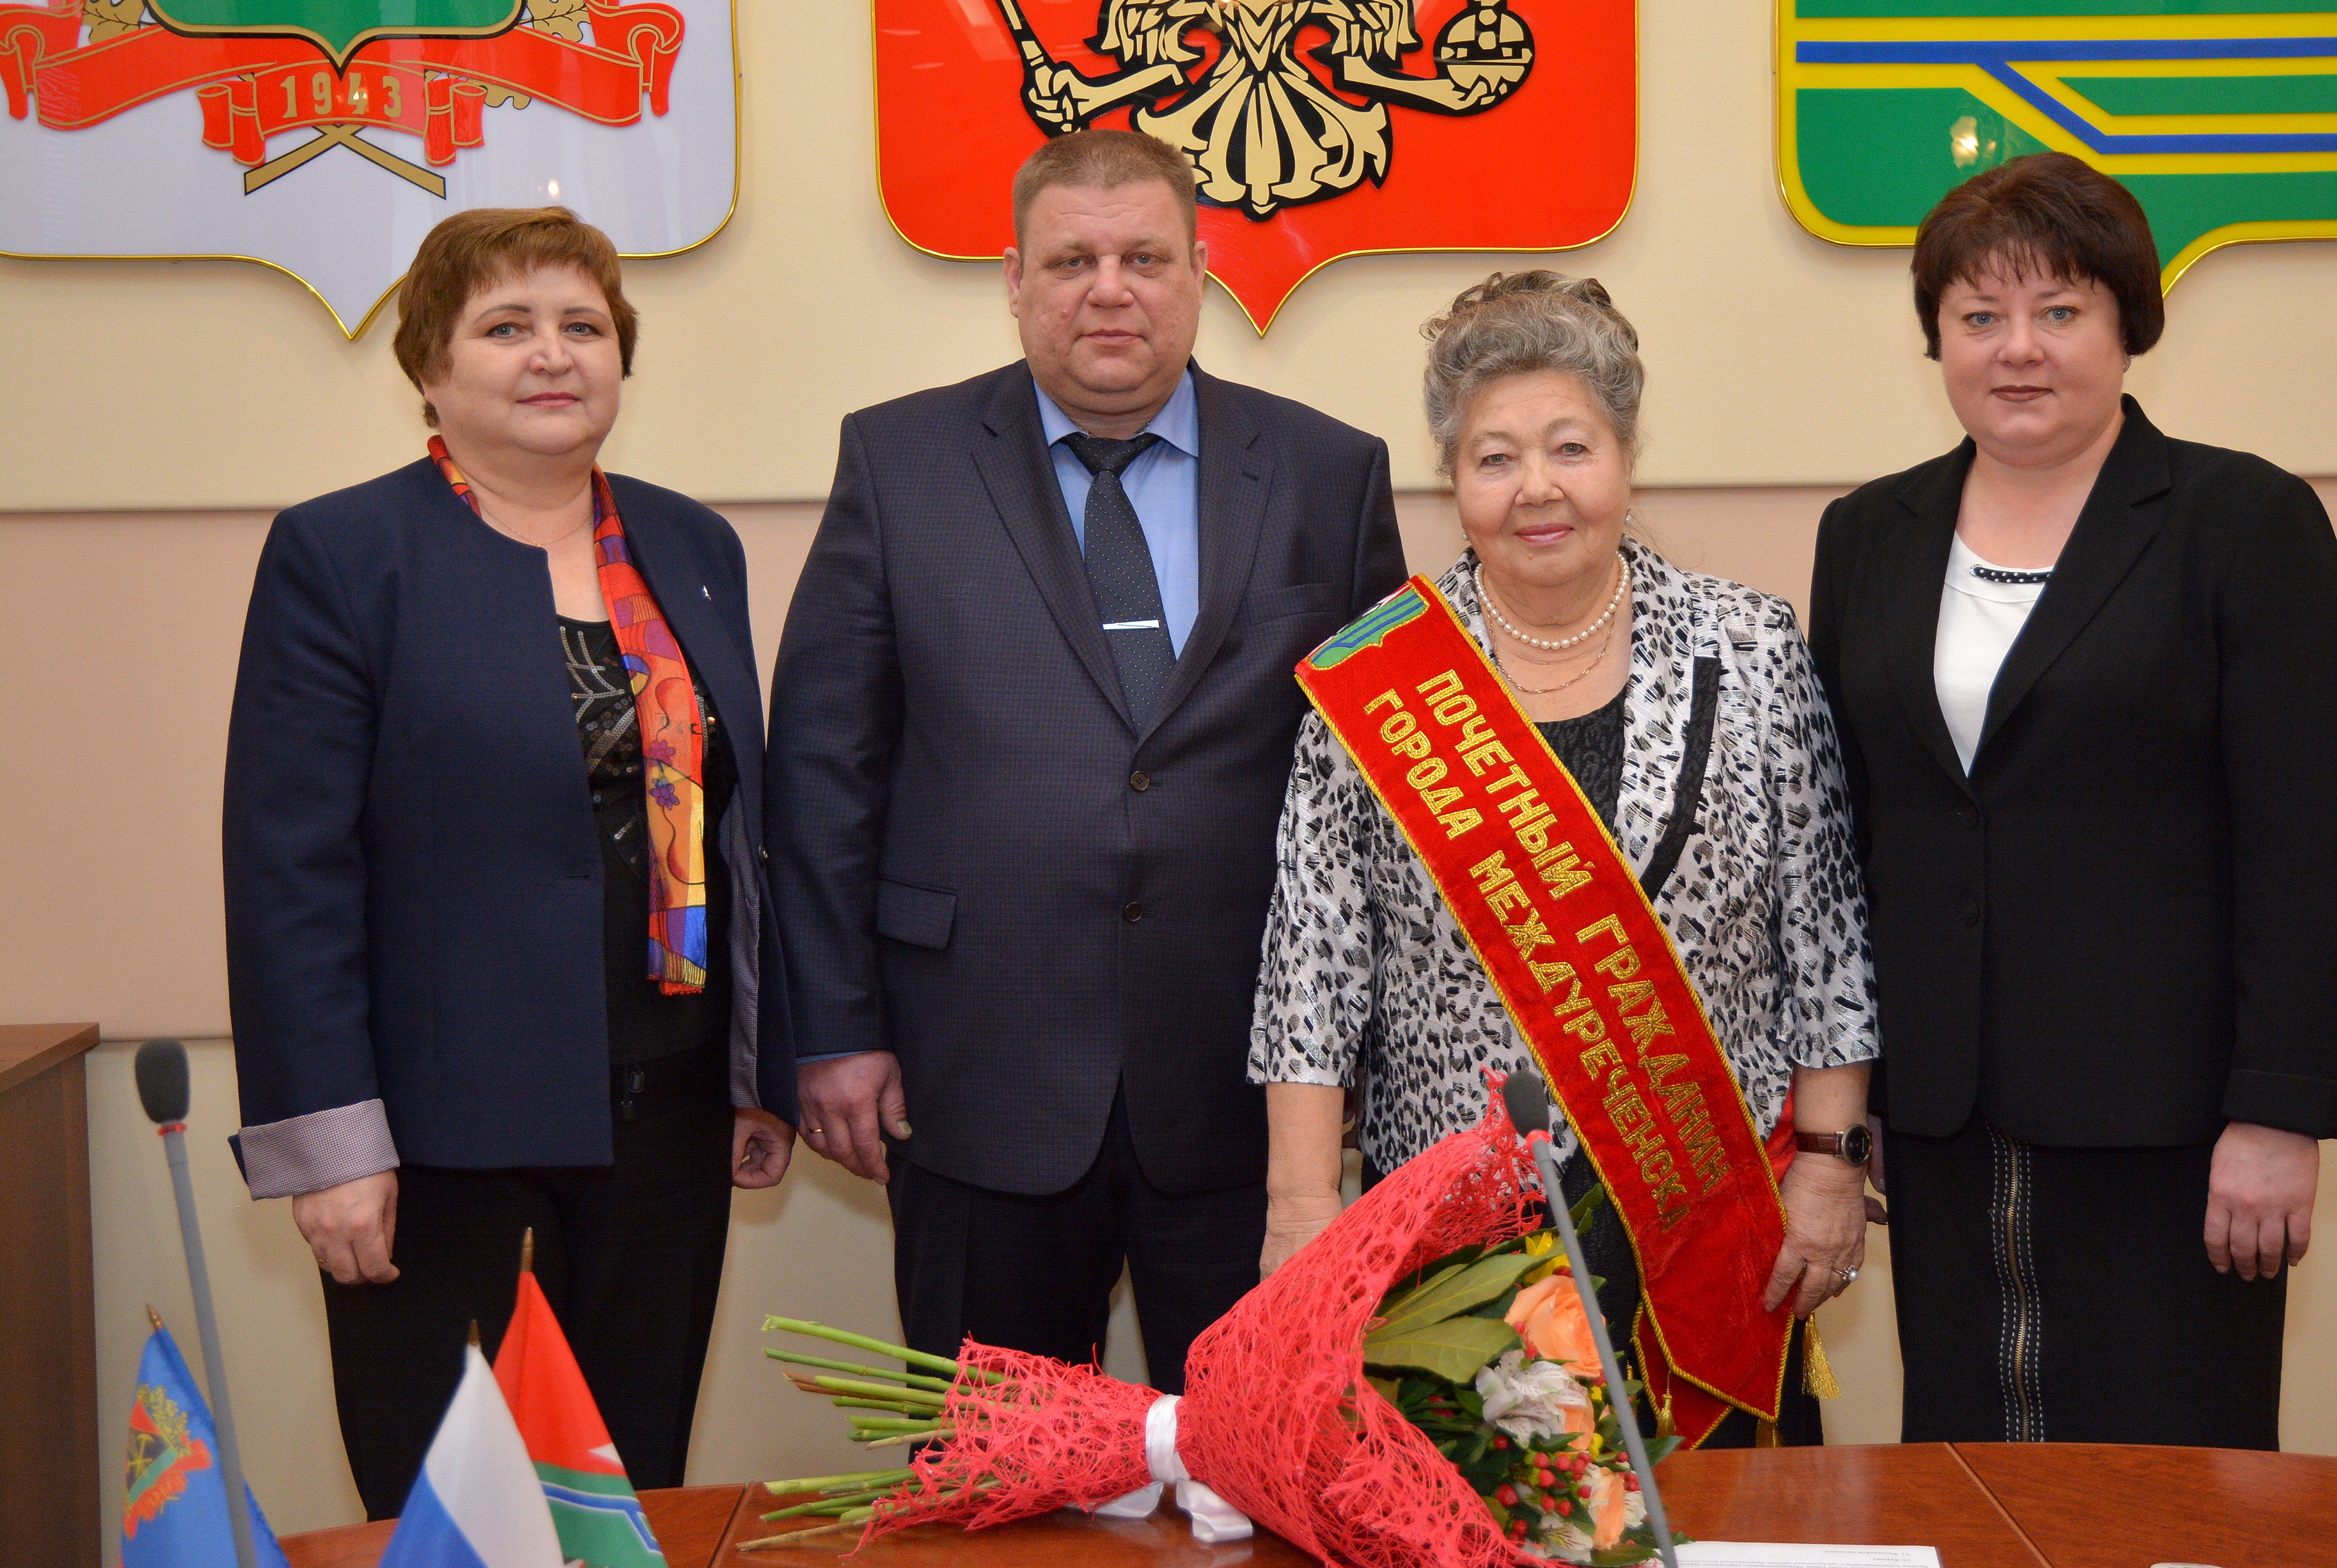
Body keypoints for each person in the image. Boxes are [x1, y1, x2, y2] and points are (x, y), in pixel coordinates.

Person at [769, 129, 1407, 1393]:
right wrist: (833, 1028)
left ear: (1199, 270)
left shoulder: (1328, 474)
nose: (1106, 288)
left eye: (1141, 257)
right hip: (973, 1068)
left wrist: (1366, 1052)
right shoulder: (898, 465)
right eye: (1070, 260)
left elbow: (1383, 791)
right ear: (1013, 280)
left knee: (1259, 1472)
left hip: (1248, 1086)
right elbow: (825, 768)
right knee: (993, 1484)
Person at [1807, 153, 2337, 1449]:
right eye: (1979, 318)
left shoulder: (2242, 519)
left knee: (2171, 1487)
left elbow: (2316, 834)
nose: (2018, 351)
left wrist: (2280, 1109)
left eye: (2059, 312)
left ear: (2129, 326)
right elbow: (1851, 834)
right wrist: (1856, 1105)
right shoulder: (1870, 533)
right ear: (1936, 339)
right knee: (1967, 1469)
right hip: (1943, 1120)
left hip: (2176, 1125)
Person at [223, 206, 796, 1517]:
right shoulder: (345, 553)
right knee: (447, 1509)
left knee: (629, 1491)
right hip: (434, 1142)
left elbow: (739, 828)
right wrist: (328, 1147)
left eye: (582, 327)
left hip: (667, 1108)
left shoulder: (691, 547)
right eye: (506, 327)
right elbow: (288, 866)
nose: (553, 355)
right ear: (430, 366)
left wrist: (763, 1062)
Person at [1252, 271, 1879, 1446]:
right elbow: (1310, 979)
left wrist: (1834, 1165)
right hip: (1456, 1243)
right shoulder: (1373, 683)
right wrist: (1301, 1210)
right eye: (1495, 458)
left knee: (1722, 1532)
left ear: (1627, 456)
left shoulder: (1749, 648)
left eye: (1569, 447)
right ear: (1454, 480)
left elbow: (1827, 932)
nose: (1536, 488)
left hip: (1709, 1222)